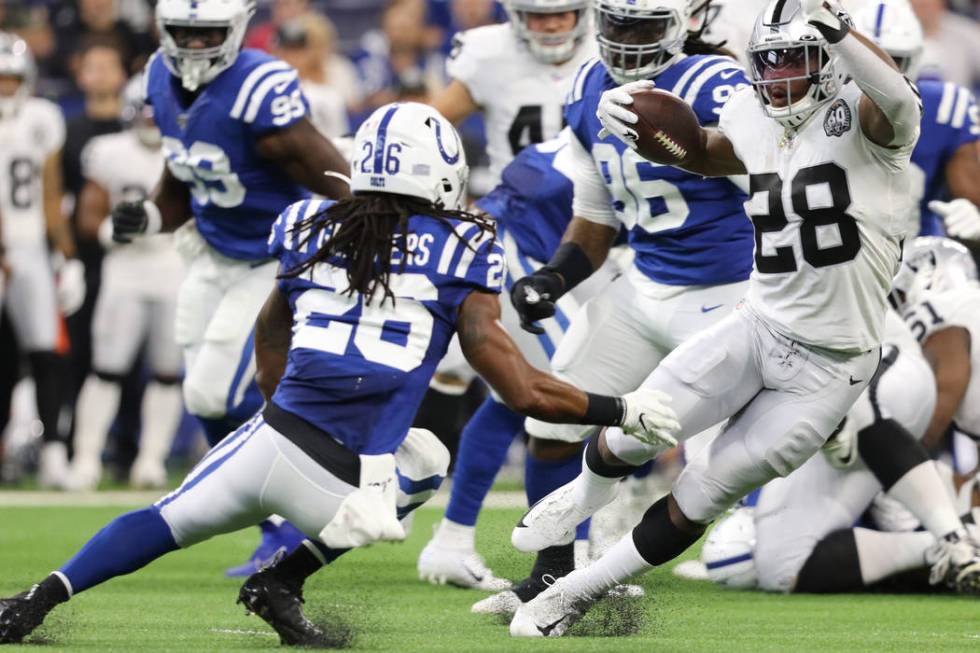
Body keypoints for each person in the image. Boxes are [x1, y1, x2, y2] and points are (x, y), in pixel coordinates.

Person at [0, 101, 679, 647]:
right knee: (425, 459)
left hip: (272, 438)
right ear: (439, 172)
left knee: (160, 520)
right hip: (351, 483)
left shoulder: (306, 225)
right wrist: (618, 409)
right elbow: (522, 390)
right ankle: (287, 574)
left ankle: (38, 597)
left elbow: (271, 326)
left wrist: (276, 404)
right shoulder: (466, 243)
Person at [506, 0, 964, 636]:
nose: (778, 77)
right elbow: (707, 153)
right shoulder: (753, 111)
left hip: (830, 369)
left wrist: (839, 27)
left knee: (704, 492)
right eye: (768, 62)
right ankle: (580, 498)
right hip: (757, 325)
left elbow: (899, 102)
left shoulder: (866, 123)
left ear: (830, 62)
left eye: (795, 61)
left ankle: (577, 592)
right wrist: (650, 134)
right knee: (642, 423)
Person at [482, 0, 757, 614]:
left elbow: (772, 166)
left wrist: (689, 141)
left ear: (683, 22)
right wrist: (552, 278)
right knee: (550, 421)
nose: (628, 38)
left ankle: (620, 569)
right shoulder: (585, 84)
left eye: (645, 24)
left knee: (709, 462)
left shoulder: (717, 84)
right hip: (643, 283)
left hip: (724, 293)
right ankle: (552, 573)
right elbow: (596, 215)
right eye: (619, 22)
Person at [108, 0, 350, 576]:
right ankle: (274, 519)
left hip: (268, 261)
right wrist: (148, 214)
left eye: (208, 34)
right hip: (212, 254)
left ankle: (297, 508)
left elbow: (337, 177)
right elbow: (182, 173)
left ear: (237, 28)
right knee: (199, 397)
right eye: (184, 35)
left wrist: (358, 241)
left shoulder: (259, 87)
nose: (195, 48)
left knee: (218, 395)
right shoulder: (156, 78)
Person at [695, 237, 980, 593]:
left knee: (864, 410)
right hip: (855, 373)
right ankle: (950, 546)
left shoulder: (948, 309)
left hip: (863, 370)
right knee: (782, 567)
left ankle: (953, 538)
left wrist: (901, 485)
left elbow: (947, 381)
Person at [417, 129, 618, 592]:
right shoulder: (579, 155)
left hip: (524, 258)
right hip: (517, 261)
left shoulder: (570, 149)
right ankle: (574, 556)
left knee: (512, 399)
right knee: (569, 400)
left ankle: (452, 539)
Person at [69, 80, 184, 491]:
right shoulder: (109, 152)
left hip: (173, 265)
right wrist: (109, 230)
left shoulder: (185, 152)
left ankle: (151, 460)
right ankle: (85, 458)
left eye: (158, 111)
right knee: (106, 369)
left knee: (168, 372)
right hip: (126, 269)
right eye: (144, 110)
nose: (150, 119)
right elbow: (87, 216)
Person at [0, 32, 83, 488]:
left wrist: (65, 256)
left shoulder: (43, 118)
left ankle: (54, 453)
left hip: (30, 245)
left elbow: (52, 193)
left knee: (47, 352)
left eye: (11, 79)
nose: (6, 89)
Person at [850, 0, 980, 238]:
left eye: (892, 61)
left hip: (916, 259)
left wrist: (976, 223)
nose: (877, 74)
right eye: (865, 60)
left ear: (915, 61)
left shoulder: (945, 108)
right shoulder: (817, 107)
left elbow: (973, 198)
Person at [431, 0, 595, 186]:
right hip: (514, 207)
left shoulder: (602, 50)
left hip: (596, 206)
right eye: (539, 16)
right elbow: (428, 124)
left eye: (561, 15)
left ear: (581, 12)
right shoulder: (489, 55)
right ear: (518, 14)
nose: (551, 25)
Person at [272, 16, 351, 138]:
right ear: (276, 53)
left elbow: (341, 140)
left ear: (308, 53)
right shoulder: (266, 93)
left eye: (298, 50)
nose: (291, 57)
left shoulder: (329, 96)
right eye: (286, 50)